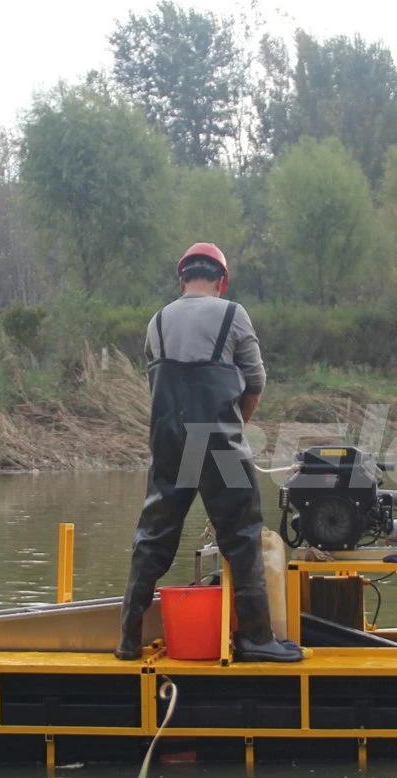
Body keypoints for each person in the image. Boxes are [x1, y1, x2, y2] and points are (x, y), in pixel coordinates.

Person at [115, 242, 302, 663]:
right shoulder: (233, 314)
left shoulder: (156, 321)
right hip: (217, 439)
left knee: (153, 534)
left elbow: (156, 385)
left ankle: (128, 637)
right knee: (241, 532)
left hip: (167, 442)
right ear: (223, 281)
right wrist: (237, 428)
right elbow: (254, 382)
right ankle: (256, 638)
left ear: (182, 279)